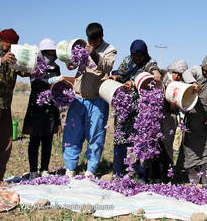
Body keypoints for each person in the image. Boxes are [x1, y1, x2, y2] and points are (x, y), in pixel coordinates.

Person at [62, 23, 117, 177]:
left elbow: (107, 66)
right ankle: (70, 167)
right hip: (79, 97)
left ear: (101, 37)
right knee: (73, 132)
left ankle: (90, 169)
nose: (90, 43)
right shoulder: (82, 46)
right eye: (89, 40)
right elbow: (71, 66)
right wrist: (70, 59)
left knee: (95, 134)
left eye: (94, 40)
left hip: (97, 98)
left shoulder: (109, 49)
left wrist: (93, 54)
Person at [109, 39, 161, 182]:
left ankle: (141, 176)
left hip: (142, 110)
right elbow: (121, 74)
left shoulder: (149, 62)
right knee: (120, 139)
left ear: (145, 53)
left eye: (139, 56)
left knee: (141, 142)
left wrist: (155, 72)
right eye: (134, 55)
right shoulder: (127, 61)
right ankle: (118, 173)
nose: (137, 58)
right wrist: (117, 77)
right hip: (124, 107)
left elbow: (153, 68)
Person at [0, 28, 29, 188]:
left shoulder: (12, 56)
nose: (11, 48)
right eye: (9, 45)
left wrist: (30, 62)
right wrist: (1, 60)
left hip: (5, 106)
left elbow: (25, 70)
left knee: (4, 144)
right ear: (1, 41)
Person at [23, 38, 62, 179]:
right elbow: (35, 85)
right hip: (37, 108)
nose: (53, 54)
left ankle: (44, 168)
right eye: (50, 52)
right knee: (35, 139)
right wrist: (51, 81)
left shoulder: (55, 67)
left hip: (51, 107)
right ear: (44, 52)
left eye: (54, 52)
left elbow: (56, 87)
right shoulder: (35, 66)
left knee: (48, 139)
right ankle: (33, 170)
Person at [182, 53, 207, 185]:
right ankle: (194, 179)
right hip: (193, 116)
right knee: (191, 149)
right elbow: (186, 73)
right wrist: (194, 83)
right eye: (206, 72)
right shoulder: (196, 70)